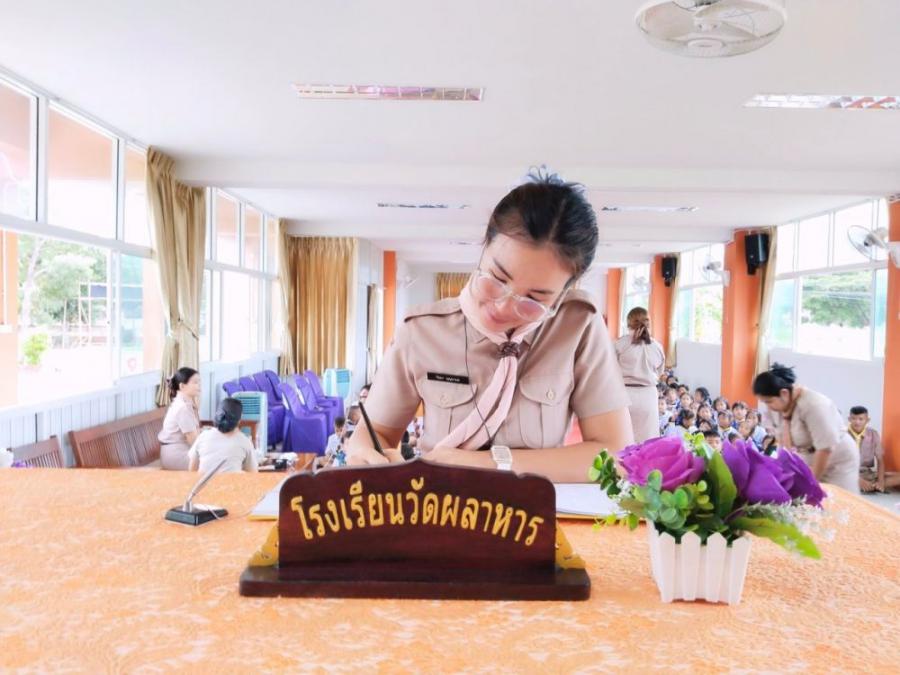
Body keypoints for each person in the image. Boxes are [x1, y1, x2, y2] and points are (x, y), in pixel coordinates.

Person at [346, 169, 633, 482]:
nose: (503, 307)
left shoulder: (577, 327)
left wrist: (487, 463)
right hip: (442, 501)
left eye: (534, 299)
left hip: (532, 507)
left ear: (564, 292)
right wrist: (365, 452)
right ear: (484, 245)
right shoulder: (421, 331)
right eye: (496, 279)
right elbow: (374, 434)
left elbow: (615, 454)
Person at [754, 363, 859, 493]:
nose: (768, 406)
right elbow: (782, 443)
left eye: (769, 401)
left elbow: (825, 449)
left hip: (837, 459)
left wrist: (812, 483)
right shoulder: (777, 407)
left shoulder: (814, 405)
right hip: (807, 455)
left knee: (838, 499)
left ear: (784, 393)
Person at [614, 307, 665, 442]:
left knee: (622, 439)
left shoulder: (620, 344)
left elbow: (610, 370)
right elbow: (660, 372)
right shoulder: (657, 347)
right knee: (647, 440)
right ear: (649, 323)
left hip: (624, 394)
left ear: (628, 323)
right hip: (648, 395)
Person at [187, 398, 257, 474]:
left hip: (205, 481)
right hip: (231, 481)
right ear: (239, 420)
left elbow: (192, 470)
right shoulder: (244, 441)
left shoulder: (203, 436)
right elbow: (252, 474)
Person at [158, 367, 202, 471]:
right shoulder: (182, 407)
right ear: (182, 386)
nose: (199, 385)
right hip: (176, 456)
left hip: (181, 451)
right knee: (217, 460)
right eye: (195, 382)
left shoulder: (185, 404)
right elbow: (194, 441)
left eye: (199, 382)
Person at [848, 406, 899, 493]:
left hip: (866, 473)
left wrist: (881, 481)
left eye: (861, 419)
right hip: (847, 473)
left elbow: (880, 459)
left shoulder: (873, 434)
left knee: (895, 476)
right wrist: (857, 480)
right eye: (854, 418)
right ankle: (865, 485)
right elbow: (836, 464)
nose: (857, 422)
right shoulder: (842, 434)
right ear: (849, 419)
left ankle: (871, 486)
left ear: (867, 420)